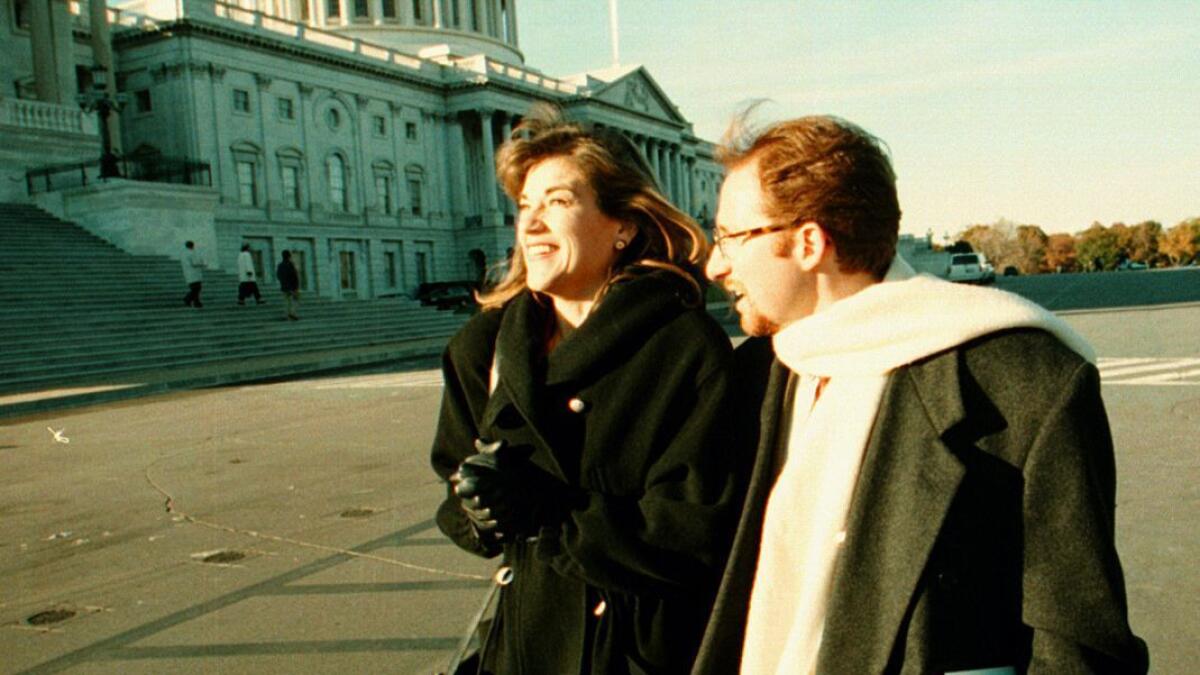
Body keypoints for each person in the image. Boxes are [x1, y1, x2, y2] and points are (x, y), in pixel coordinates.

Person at [692, 114, 1149, 674]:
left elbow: (1081, 649)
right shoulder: (758, 376)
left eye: (730, 238)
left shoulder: (1024, 383)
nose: (714, 265)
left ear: (809, 242)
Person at [431, 106, 738, 674]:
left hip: (638, 654)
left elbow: (696, 535)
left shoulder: (684, 349)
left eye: (558, 202)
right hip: (523, 648)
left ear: (623, 225)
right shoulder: (484, 346)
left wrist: (551, 510)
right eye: (525, 206)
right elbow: (454, 490)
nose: (531, 224)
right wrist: (478, 510)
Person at [277, 250, 300, 320]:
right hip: (292, 287)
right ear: (289, 256)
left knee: (286, 301)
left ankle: (286, 315)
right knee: (295, 299)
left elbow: (278, 275)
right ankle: (292, 313)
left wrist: (283, 283)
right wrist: (296, 287)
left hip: (284, 286)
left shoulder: (280, 265)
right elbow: (294, 276)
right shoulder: (291, 264)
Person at [181, 240, 204, 308]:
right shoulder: (192, 253)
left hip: (188, 274)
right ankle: (188, 299)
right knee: (197, 289)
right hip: (194, 274)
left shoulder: (184, 254)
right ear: (192, 246)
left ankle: (197, 302)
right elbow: (195, 263)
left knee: (195, 289)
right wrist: (202, 264)